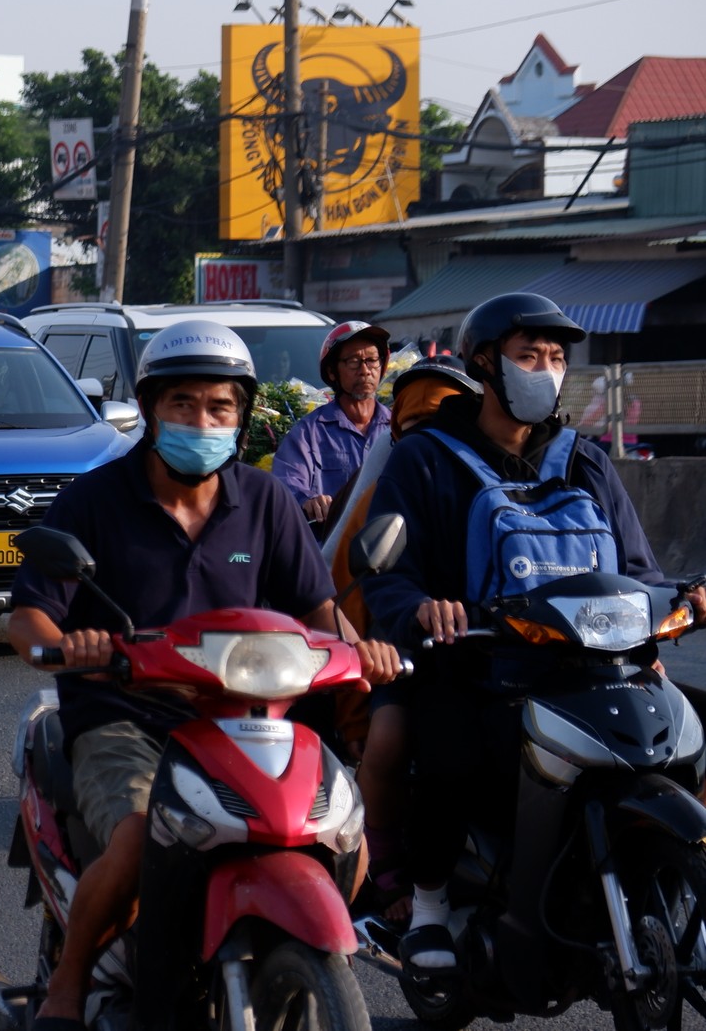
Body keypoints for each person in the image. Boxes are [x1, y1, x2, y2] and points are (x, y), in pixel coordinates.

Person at [5, 320, 401, 1028]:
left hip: (250, 720)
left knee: (350, 840)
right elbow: (31, 618)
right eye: (182, 405)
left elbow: (318, 612)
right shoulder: (95, 502)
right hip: (129, 719)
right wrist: (69, 648)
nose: (201, 421)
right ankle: (67, 986)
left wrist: (359, 652)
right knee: (136, 836)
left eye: (219, 408)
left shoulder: (267, 501)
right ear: (151, 410)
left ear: (241, 418)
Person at [363, 291, 706, 970]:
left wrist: (677, 604)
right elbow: (389, 572)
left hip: (591, 670)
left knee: (680, 739)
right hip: (478, 666)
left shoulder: (586, 461)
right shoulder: (425, 459)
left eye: (555, 358)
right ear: (486, 364)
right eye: (529, 356)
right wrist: (423, 610)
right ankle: (429, 903)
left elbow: (637, 568)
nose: (545, 371)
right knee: (449, 753)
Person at [311, 355, 479, 921]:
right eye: (422, 420)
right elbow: (349, 592)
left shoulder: (504, 475)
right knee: (388, 737)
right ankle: (386, 869)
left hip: (495, 641)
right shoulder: (393, 482)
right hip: (407, 640)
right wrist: (354, 714)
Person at [272, 321, 391, 524]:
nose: (365, 370)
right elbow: (285, 483)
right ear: (332, 372)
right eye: (354, 361)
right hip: (328, 546)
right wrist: (307, 500)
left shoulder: (396, 428)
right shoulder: (309, 433)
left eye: (372, 360)